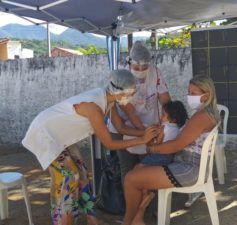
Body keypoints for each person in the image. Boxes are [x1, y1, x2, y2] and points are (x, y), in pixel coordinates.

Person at [22, 69, 158, 225]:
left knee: (83, 174)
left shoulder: (109, 100)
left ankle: (92, 219)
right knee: (68, 177)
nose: (131, 97)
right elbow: (110, 144)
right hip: (46, 133)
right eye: (131, 93)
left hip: (61, 136)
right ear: (122, 92)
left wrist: (145, 133)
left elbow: (120, 127)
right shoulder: (94, 107)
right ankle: (63, 221)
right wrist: (142, 140)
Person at [121, 75, 220, 225]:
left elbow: (176, 145)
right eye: (188, 92)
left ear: (206, 95)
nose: (189, 96)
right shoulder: (205, 113)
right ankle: (137, 219)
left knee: (130, 179)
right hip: (185, 164)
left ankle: (128, 221)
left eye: (193, 93)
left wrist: (153, 149)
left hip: (189, 169)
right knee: (136, 173)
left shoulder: (202, 117)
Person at [116, 41, 171, 184]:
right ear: (129, 62)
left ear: (150, 63)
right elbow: (129, 111)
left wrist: (168, 121)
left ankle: (148, 202)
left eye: (145, 67)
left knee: (148, 166)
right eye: (136, 67)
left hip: (150, 125)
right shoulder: (121, 76)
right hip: (127, 126)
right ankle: (128, 203)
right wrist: (144, 132)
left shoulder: (156, 72)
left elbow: (165, 99)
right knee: (127, 168)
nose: (140, 70)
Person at [139, 100, 188, 166]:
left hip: (161, 155)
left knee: (140, 166)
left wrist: (151, 142)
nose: (161, 117)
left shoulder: (165, 126)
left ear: (173, 119)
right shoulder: (179, 128)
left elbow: (159, 142)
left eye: (163, 115)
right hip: (171, 156)